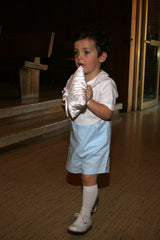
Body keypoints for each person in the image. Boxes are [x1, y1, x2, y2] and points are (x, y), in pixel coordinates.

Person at [62, 27, 118, 234]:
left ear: (102, 56)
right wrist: (67, 105)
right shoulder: (73, 79)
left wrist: (88, 100)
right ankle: (92, 199)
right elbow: (71, 110)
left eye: (86, 52)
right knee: (79, 174)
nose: (79, 57)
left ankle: (85, 216)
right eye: (76, 52)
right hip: (78, 136)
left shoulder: (106, 83)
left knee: (88, 177)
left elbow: (107, 113)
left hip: (97, 138)